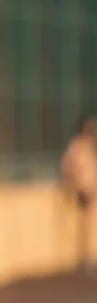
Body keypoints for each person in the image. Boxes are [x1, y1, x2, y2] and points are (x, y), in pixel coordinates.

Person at [61, 114, 97, 269]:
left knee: (89, 226)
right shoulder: (76, 146)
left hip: (90, 190)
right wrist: (74, 186)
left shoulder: (88, 146)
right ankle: (83, 258)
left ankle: (87, 256)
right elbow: (69, 167)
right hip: (82, 191)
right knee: (83, 227)